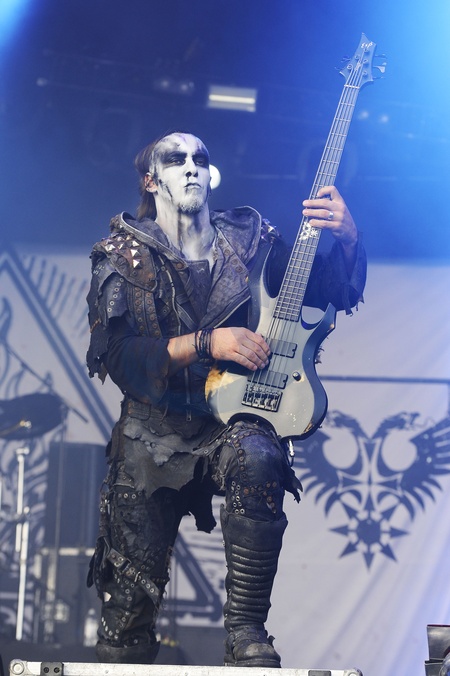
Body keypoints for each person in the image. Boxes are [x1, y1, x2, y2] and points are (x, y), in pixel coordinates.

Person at [86, 130, 366, 667]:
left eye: (200, 158)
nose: (191, 166)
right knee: (124, 629)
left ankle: (246, 633)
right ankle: (125, 652)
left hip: (232, 420)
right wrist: (206, 343)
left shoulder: (251, 241)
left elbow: (326, 289)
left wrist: (349, 238)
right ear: (151, 180)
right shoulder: (120, 257)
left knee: (259, 455)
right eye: (176, 159)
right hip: (151, 433)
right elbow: (119, 358)